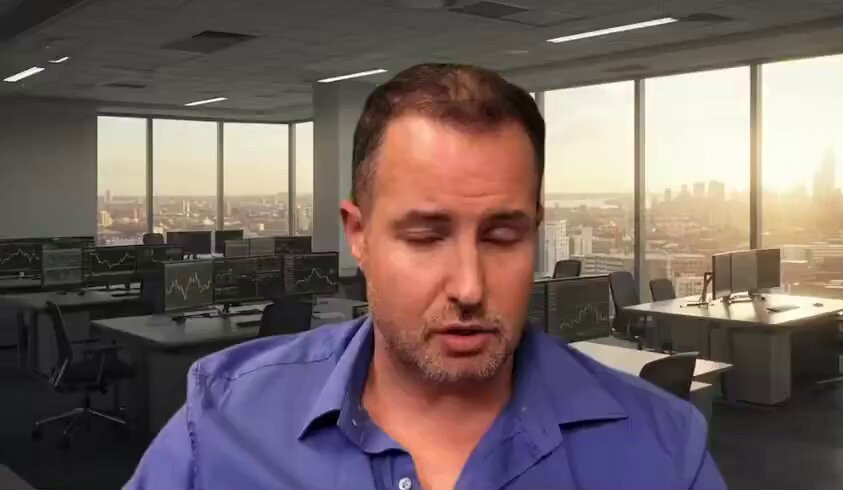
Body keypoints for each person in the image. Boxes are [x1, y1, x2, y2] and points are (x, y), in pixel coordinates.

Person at [126, 63, 726, 490]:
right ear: (358, 234)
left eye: (502, 236)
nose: (469, 287)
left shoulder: (664, 450)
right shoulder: (225, 422)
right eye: (425, 237)